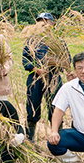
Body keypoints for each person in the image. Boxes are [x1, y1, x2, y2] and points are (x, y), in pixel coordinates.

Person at [22, 13, 69, 141]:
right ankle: (30, 139)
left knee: (55, 106)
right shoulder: (31, 41)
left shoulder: (59, 41)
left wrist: (54, 63)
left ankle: (58, 137)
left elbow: (67, 60)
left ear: (52, 24)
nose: (42, 24)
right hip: (35, 78)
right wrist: (36, 69)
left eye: (46, 21)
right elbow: (25, 59)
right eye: (40, 22)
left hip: (53, 78)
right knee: (32, 106)